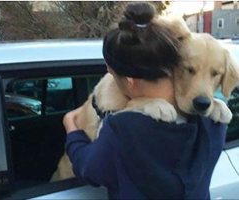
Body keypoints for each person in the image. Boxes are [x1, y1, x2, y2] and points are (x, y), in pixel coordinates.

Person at [63, 3, 226, 200]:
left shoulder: (121, 128)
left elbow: (89, 169)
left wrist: (71, 127)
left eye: (112, 75)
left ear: (129, 81)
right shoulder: (216, 121)